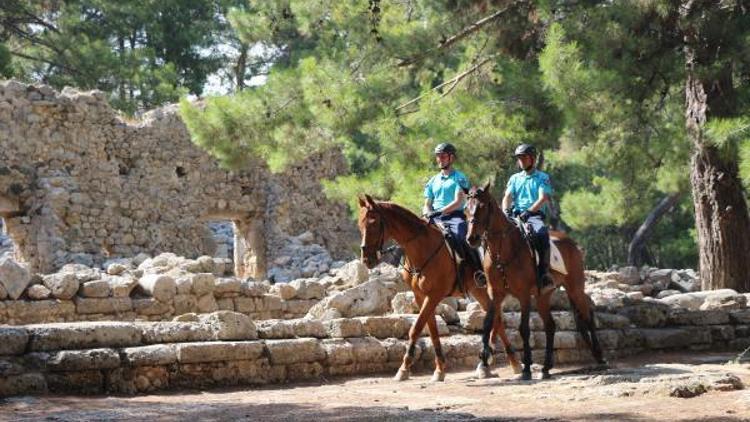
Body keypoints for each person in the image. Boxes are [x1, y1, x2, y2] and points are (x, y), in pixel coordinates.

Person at [423, 142, 487, 287]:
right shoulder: (432, 181)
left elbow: (459, 201)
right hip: (434, 217)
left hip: (455, 216)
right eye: (438, 157)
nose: (440, 159)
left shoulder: (459, 178)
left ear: (451, 158)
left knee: (461, 234)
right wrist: (427, 212)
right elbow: (427, 202)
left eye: (443, 156)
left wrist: (440, 211)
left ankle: (478, 271)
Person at [502, 143, 555, 295]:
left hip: (533, 215)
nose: (521, 161)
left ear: (532, 159)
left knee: (540, 233)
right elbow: (507, 196)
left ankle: (544, 274)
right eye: (519, 158)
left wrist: (530, 211)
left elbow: (543, 198)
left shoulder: (542, 178)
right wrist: (506, 210)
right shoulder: (514, 178)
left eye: (524, 158)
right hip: (514, 215)